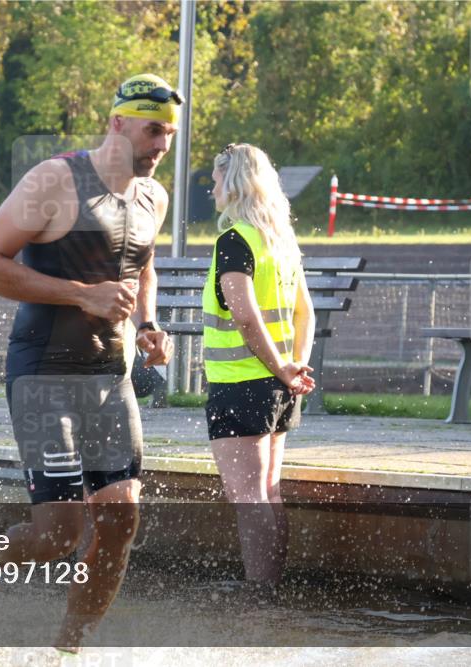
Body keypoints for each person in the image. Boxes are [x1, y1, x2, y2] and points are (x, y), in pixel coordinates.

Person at [0, 74, 178, 649]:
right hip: (44, 375)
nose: (161, 147)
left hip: (109, 374)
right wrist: (81, 293)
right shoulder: (55, 178)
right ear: (117, 123)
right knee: (57, 535)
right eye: (152, 131)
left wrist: (146, 324)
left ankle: (68, 649)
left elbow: (143, 267)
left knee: (121, 523)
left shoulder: (154, 196)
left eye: (169, 135)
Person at [202, 143, 316, 584]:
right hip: (280, 386)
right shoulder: (280, 241)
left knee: (248, 496)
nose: (211, 187)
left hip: (241, 384)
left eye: (215, 180)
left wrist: (282, 369)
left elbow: (245, 317)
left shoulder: (235, 240)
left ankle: (259, 592)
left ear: (232, 184)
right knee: (268, 492)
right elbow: (307, 312)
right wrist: (294, 368)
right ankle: (271, 585)